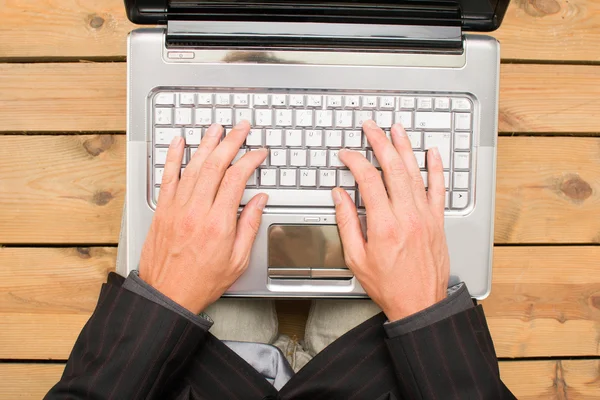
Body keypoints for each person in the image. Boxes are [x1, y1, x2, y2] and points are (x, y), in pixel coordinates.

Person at [44, 120, 516, 399]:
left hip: (194, 376)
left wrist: (163, 302)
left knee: (190, 187)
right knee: (401, 188)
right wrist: (423, 316)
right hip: (379, 376)